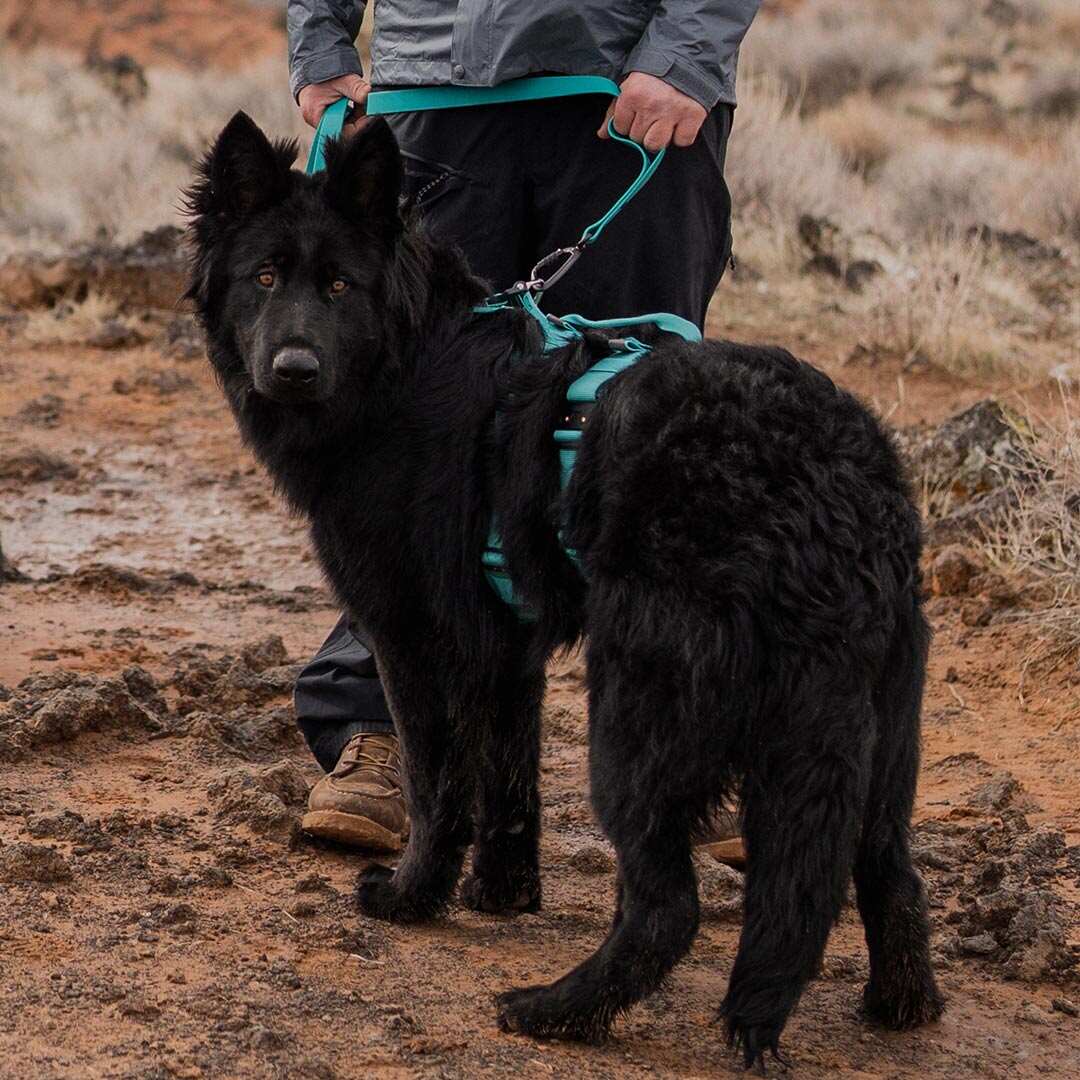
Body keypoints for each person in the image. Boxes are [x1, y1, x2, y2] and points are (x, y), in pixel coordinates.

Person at [288, 1, 761, 858]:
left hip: (630, 94)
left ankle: (692, 745)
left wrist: (687, 52)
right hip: (433, 100)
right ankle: (384, 731)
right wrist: (320, 41)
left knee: (640, 433)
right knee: (410, 440)